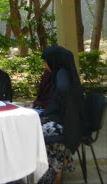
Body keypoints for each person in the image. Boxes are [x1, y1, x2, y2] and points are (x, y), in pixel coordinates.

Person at [37, 46, 88, 184]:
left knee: (37, 132)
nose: (44, 64)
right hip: (69, 121)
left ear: (54, 61)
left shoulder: (62, 74)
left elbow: (62, 91)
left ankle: (50, 173)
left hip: (69, 124)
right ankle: (59, 167)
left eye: (46, 61)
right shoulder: (63, 73)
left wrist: (52, 110)